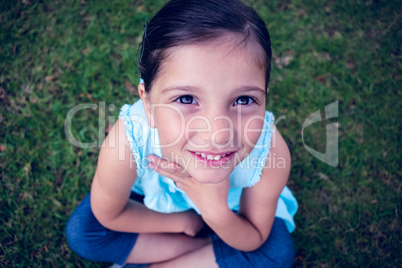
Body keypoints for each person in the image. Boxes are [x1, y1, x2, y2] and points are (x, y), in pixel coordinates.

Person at [65, 0, 298, 267]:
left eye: (244, 100)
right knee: (84, 233)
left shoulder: (270, 153)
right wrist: (184, 221)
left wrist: (214, 210)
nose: (218, 135)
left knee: (275, 252)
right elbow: (109, 215)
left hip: (232, 212)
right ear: (149, 105)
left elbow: (255, 236)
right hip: (159, 209)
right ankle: (209, 248)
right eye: (186, 99)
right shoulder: (128, 140)